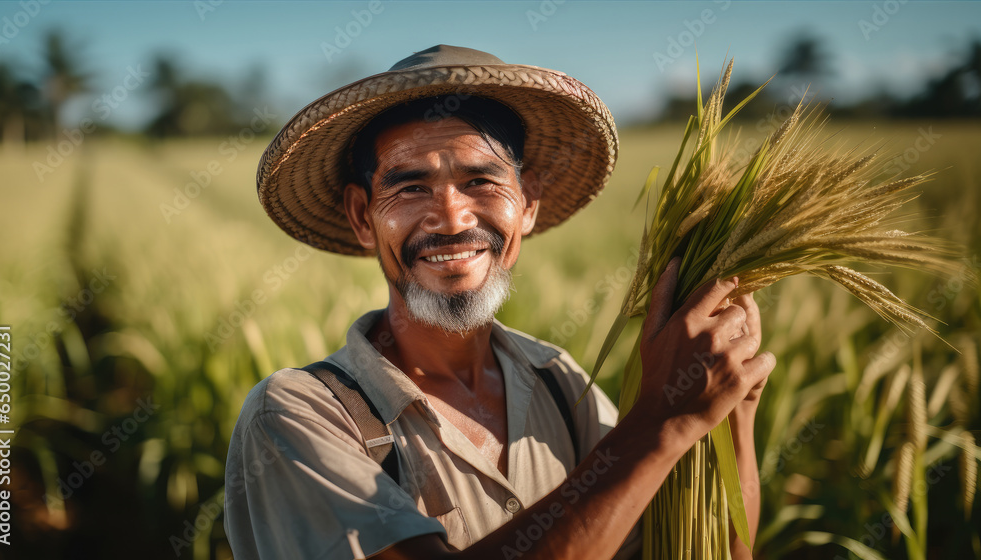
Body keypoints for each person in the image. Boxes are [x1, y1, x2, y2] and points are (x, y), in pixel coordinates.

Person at [224, 44, 774, 560]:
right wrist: (661, 421)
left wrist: (731, 407)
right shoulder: (297, 415)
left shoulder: (559, 382)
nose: (452, 219)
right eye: (410, 188)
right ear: (362, 217)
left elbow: (712, 548)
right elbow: (639, 454)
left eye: (481, 181)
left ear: (528, 201)